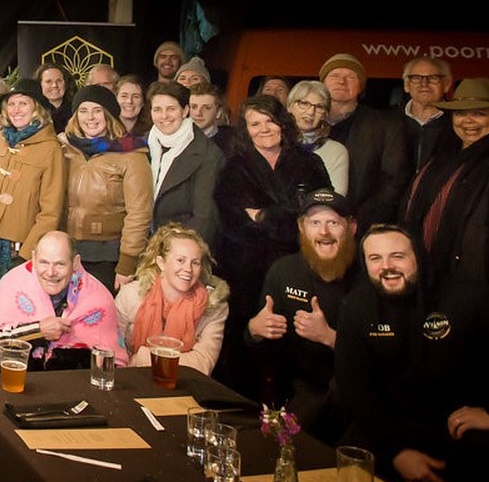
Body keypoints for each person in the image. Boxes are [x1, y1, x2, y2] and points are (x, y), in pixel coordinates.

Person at [334, 225, 489, 482]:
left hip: (454, 425)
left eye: (397, 256)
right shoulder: (356, 306)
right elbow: (354, 387)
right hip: (388, 425)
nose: (387, 266)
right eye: (375, 258)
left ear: (418, 256)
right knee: (346, 463)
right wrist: (397, 452)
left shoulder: (466, 295)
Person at [213, 93, 330, 396]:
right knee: (245, 341)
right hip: (244, 269)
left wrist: (264, 215)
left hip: (298, 264)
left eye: (270, 121)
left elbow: (321, 213)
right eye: (255, 124)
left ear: (283, 123)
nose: (264, 129)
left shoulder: (309, 163)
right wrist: (290, 214)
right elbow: (234, 221)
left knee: (293, 338)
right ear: (246, 130)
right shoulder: (233, 168)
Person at [400, 78, 489, 300]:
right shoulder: (443, 155)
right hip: (428, 279)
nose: (468, 120)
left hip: (483, 290)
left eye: (479, 113)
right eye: (460, 113)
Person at [244, 188, 358, 443]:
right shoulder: (283, 271)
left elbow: (385, 363)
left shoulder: (366, 277)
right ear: (301, 227)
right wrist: (254, 330)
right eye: (315, 222)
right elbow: (260, 351)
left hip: (353, 397)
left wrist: (330, 338)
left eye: (333, 223)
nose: (324, 231)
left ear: (351, 228)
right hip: (298, 393)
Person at [0, 231, 124, 371]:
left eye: (60, 264)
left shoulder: (97, 297)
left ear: (75, 263)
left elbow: (109, 364)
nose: (50, 272)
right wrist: (38, 331)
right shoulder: (14, 283)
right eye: (44, 263)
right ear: (34, 259)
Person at [0, 81, 67, 291]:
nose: (16, 110)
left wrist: (27, 254)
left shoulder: (51, 149)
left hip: (18, 251)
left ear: (37, 108)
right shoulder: (2, 138)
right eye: (11, 104)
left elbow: (50, 212)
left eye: (23, 103)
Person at [59, 83, 152, 292]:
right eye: (83, 111)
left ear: (109, 115)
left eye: (97, 111)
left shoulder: (131, 154)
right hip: (65, 250)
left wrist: (128, 262)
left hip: (107, 256)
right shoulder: (63, 147)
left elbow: (139, 213)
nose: (90, 117)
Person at [115, 223, 231, 377]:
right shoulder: (131, 295)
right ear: (161, 263)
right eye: (180, 260)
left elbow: (202, 365)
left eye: (195, 263)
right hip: (131, 380)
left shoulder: (213, 306)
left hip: (185, 384)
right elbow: (113, 350)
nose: (188, 269)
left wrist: (142, 358)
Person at [318, 52, 411, 230]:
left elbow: (394, 180)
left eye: (350, 77)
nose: (341, 82)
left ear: (361, 85)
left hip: (361, 225)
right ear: (322, 83)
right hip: (311, 223)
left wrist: (361, 221)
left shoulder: (385, 125)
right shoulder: (305, 122)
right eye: (334, 76)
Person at [146, 80, 222, 245]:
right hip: (143, 242)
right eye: (157, 109)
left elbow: (204, 217)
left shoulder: (208, 154)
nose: (164, 116)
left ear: (185, 110)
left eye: (171, 109)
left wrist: (179, 252)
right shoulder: (143, 144)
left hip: (181, 246)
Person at [287, 80, 349, 195]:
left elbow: (336, 197)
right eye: (304, 103)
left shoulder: (336, 151)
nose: (311, 112)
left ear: (325, 114)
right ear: (289, 106)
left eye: (319, 107)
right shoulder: (273, 144)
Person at [401, 56, 455, 172]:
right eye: (416, 78)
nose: (424, 84)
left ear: (447, 84)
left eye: (433, 78)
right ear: (406, 85)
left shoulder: (459, 123)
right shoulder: (387, 121)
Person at [188, 82, 233, 153]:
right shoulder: (175, 137)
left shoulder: (232, 144)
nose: (198, 113)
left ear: (218, 112)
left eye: (206, 108)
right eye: (194, 107)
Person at [115, 73, 152, 146]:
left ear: (143, 102)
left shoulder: (152, 134)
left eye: (136, 96)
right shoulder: (105, 131)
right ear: (115, 99)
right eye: (124, 96)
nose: (129, 101)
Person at [35, 62, 72, 133]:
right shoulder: (33, 111)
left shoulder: (77, 109)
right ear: (39, 84)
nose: (54, 85)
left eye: (59, 81)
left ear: (66, 83)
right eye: (48, 81)